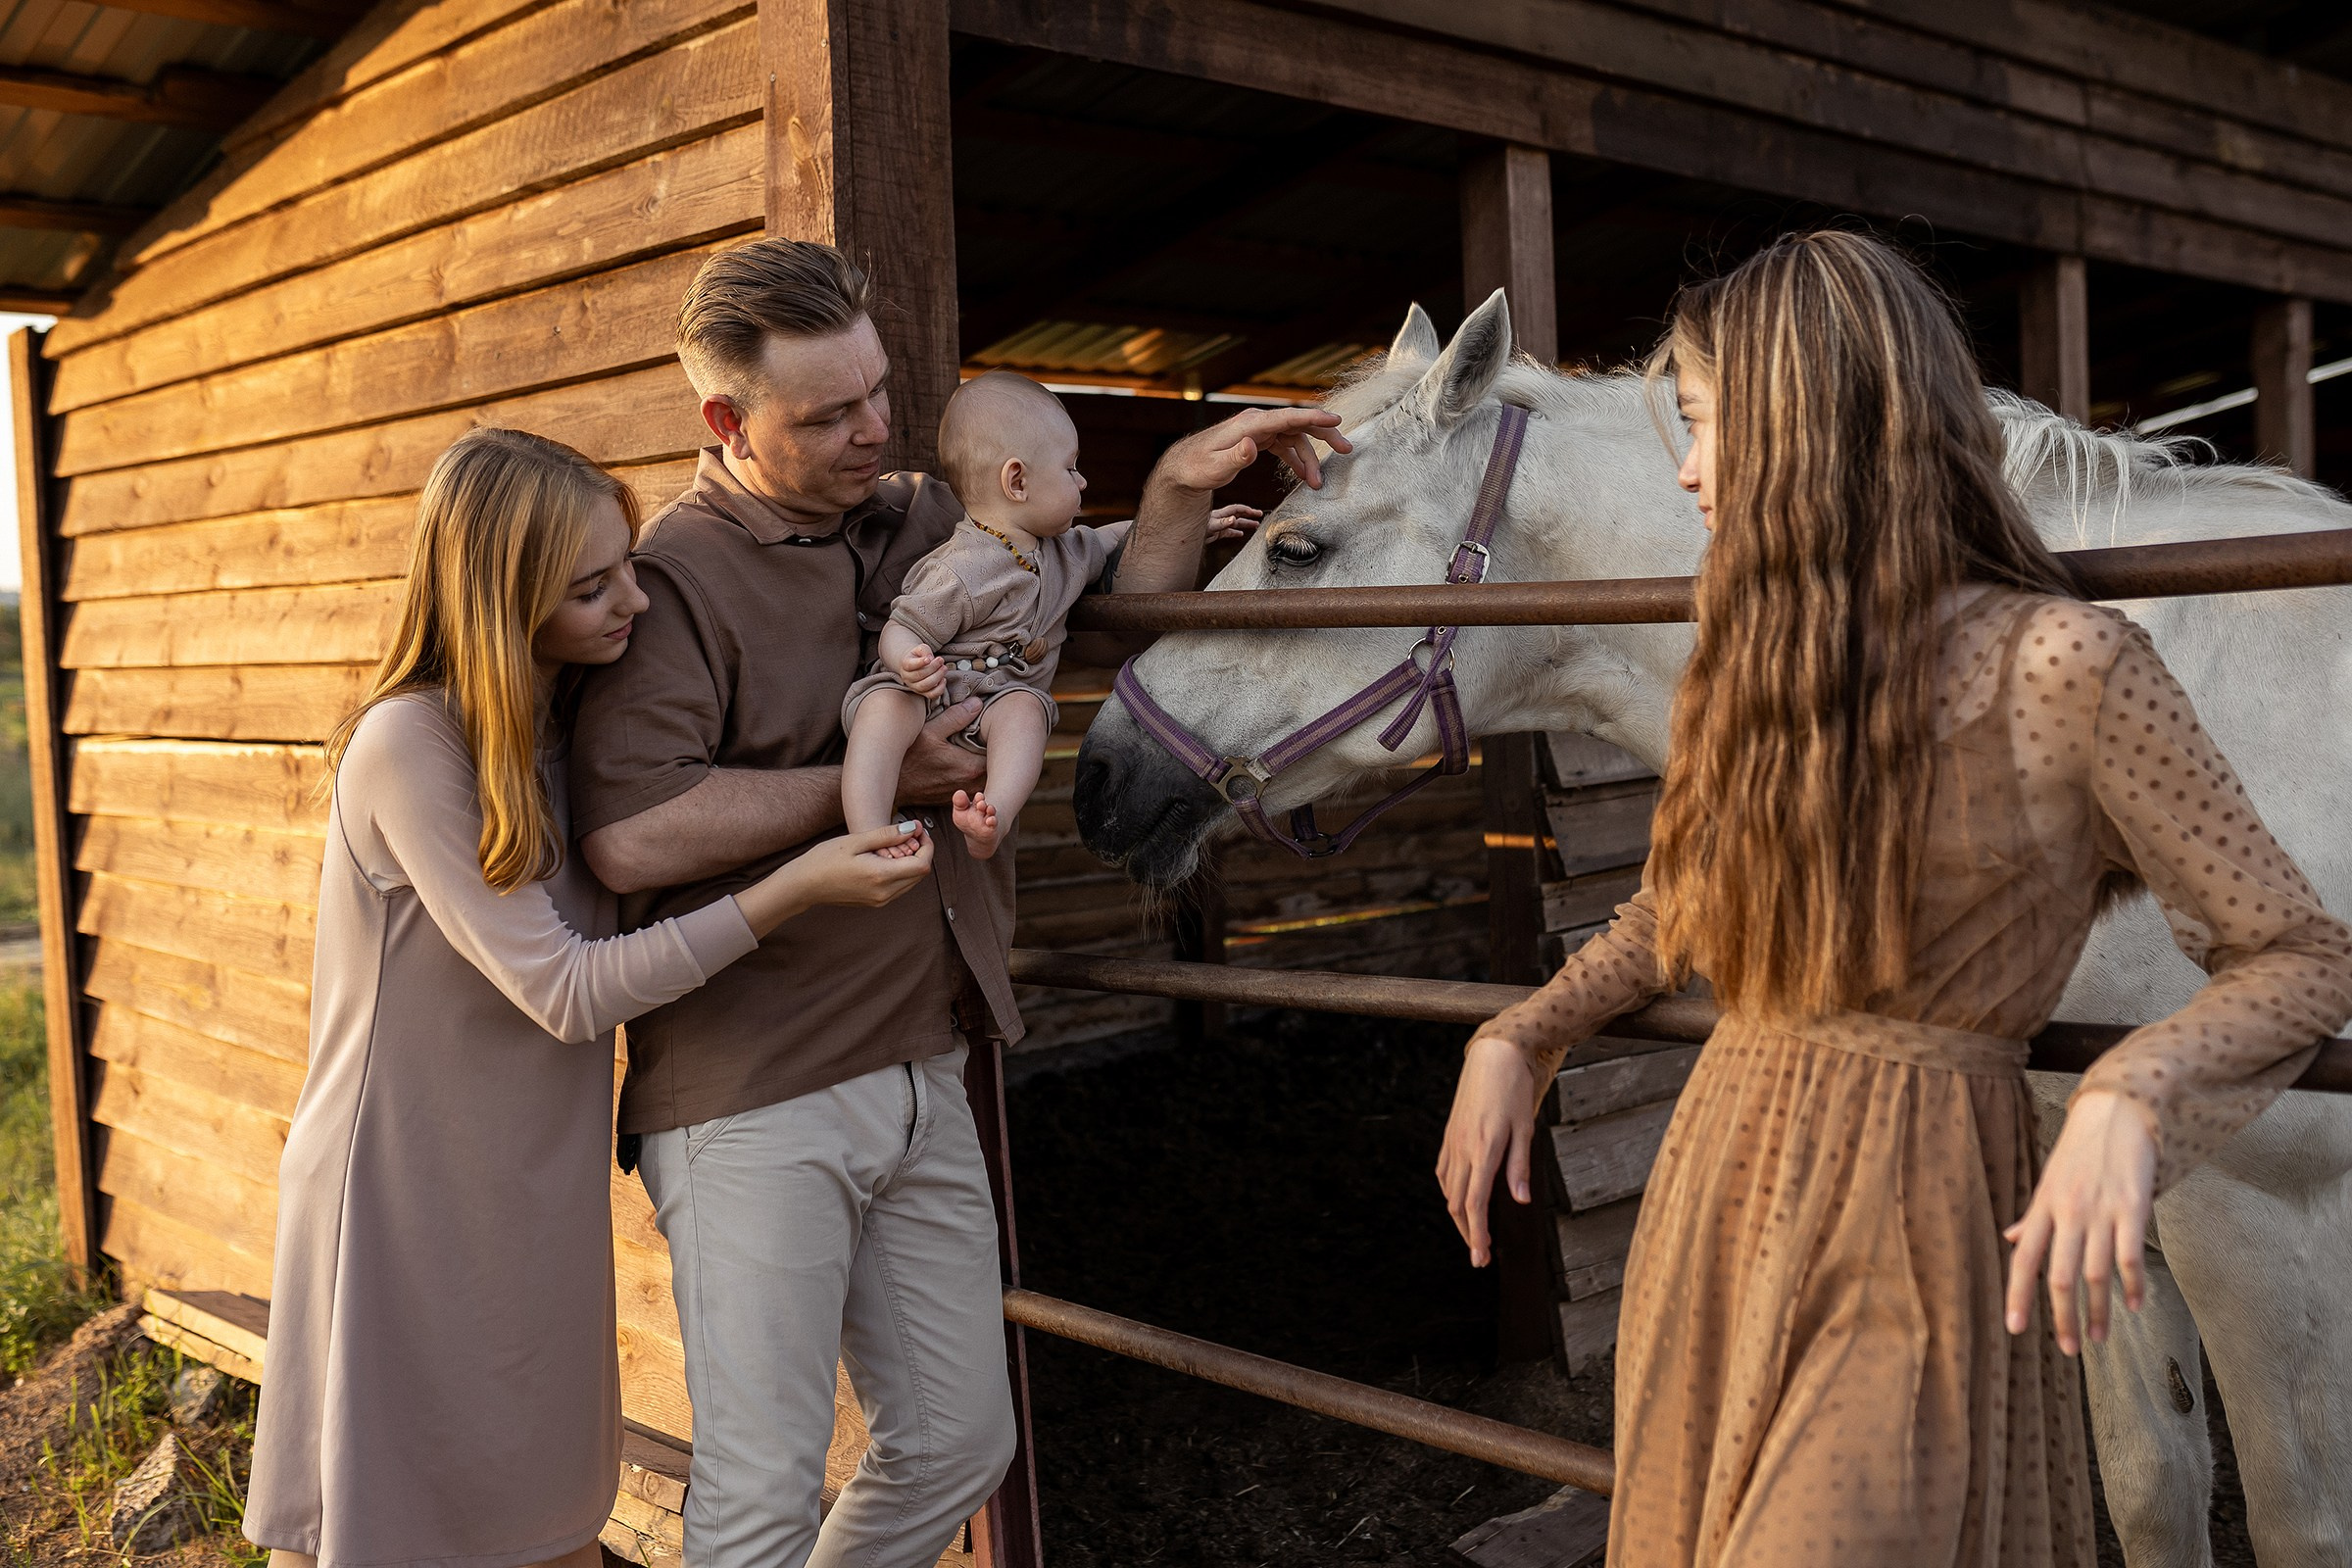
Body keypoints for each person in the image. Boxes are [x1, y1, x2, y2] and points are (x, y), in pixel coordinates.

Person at [1435, 231, 2352, 1568]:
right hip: (1724, 1192)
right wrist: (1525, 1031)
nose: (1686, 470)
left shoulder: (2071, 666)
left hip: (1924, 1205)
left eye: (1700, 428)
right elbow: (1678, 904)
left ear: (1821, 420)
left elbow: (2298, 954)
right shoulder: (1758, 665)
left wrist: (2131, 1092)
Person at [567, 237, 1347, 1568]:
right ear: (725, 420)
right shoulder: (680, 578)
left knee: (957, 1443)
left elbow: (1115, 594)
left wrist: (1171, 482)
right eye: (829, 414)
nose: (876, 428)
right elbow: (633, 836)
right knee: (757, 1500)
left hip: (925, 1053)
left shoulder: (928, 513)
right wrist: (864, 784)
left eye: (878, 390)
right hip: (754, 1094)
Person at [244, 428, 936, 1568]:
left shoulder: (569, 721)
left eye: (626, 564)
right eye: (591, 586)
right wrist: (790, 891)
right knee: (390, 1514)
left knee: (548, 1505)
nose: (636, 602)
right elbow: (565, 990)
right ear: (498, 597)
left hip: (534, 1171)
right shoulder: (410, 744)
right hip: (407, 1186)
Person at [842, 372, 1257, 860]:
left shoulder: (1066, 550)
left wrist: (1193, 521)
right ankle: (867, 832)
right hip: (926, 691)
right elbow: (904, 626)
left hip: (998, 698)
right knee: (883, 710)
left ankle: (991, 816)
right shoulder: (959, 567)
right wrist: (908, 661)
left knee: (1028, 711)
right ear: (1016, 480)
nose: (1083, 480)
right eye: (1070, 467)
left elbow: (1114, 535)